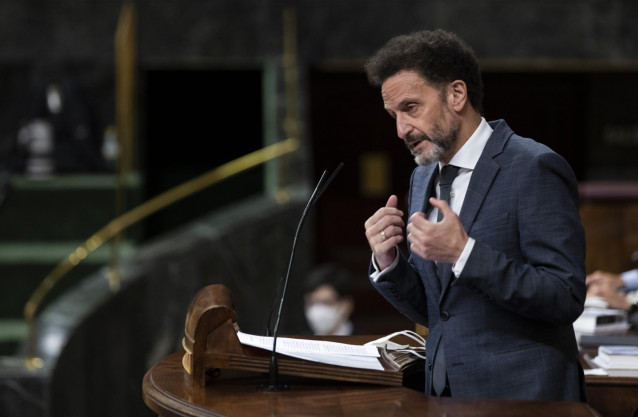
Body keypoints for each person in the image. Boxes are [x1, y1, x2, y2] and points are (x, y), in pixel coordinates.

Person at [363, 29, 586, 401]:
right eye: (393, 115)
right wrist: (388, 260)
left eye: (411, 108)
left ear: (456, 94)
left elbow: (563, 297)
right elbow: (439, 309)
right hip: (444, 396)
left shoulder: (534, 167)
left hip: (525, 399)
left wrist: (464, 253)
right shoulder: (423, 176)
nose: (401, 129)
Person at [303, 263, 355, 335]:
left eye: (326, 302)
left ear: (347, 305)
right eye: (311, 302)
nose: (317, 310)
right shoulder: (297, 343)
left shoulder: (367, 342)